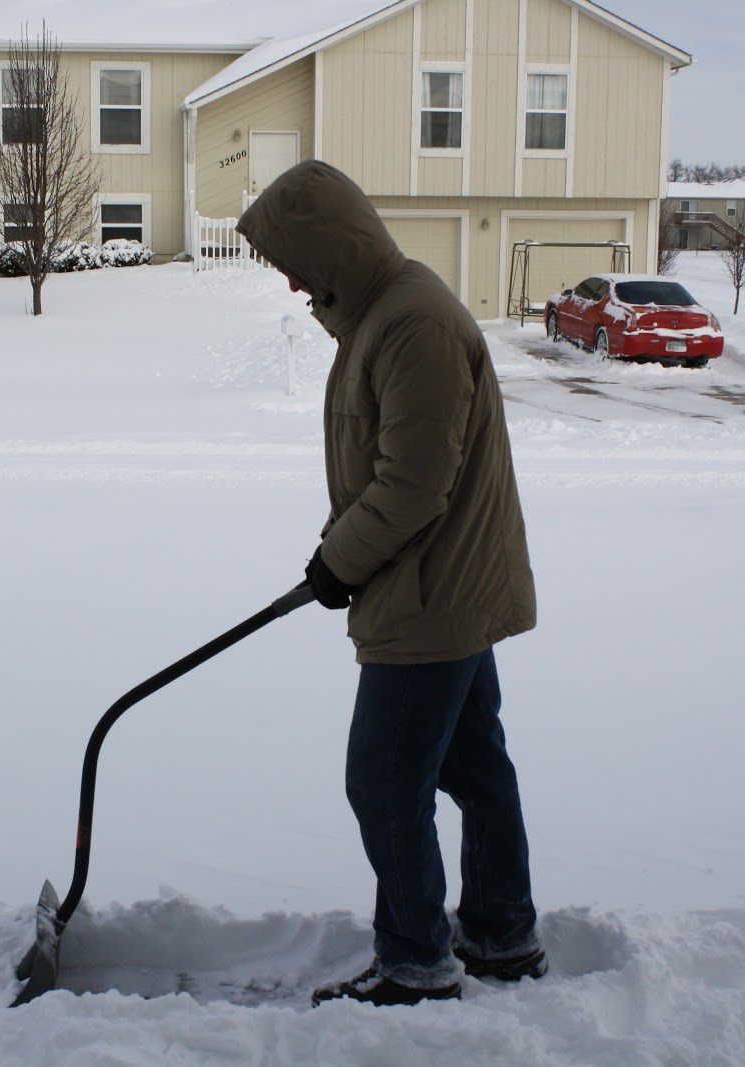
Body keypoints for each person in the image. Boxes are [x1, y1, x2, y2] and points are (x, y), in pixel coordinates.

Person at [235, 161, 544, 1007]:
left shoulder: (412, 326)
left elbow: (412, 485)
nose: (294, 282)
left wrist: (340, 562)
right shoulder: (384, 313)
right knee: (475, 767)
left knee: (383, 780)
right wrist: (343, 553)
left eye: (296, 259)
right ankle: (501, 933)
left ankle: (417, 960)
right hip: (440, 586)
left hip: (432, 597)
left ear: (333, 246)